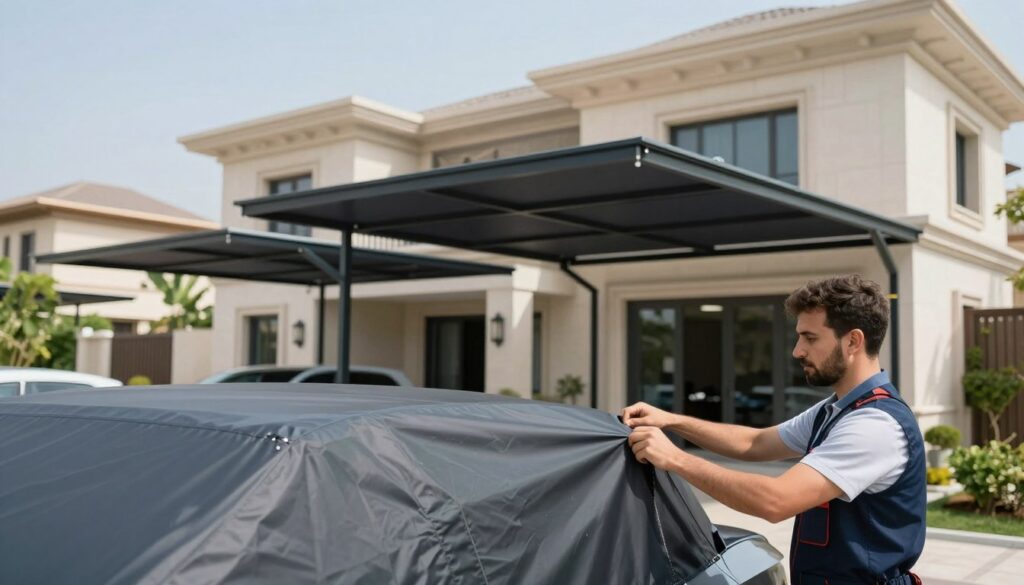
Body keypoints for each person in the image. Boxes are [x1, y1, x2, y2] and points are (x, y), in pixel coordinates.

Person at [624, 274, 924, 585]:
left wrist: (675, 459)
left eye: (810, 338)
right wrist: (671, 421)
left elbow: (776, 501)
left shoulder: (874, 425)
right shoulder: (835, 410)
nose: (797, 351)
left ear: (852, 341)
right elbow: (755, 443)